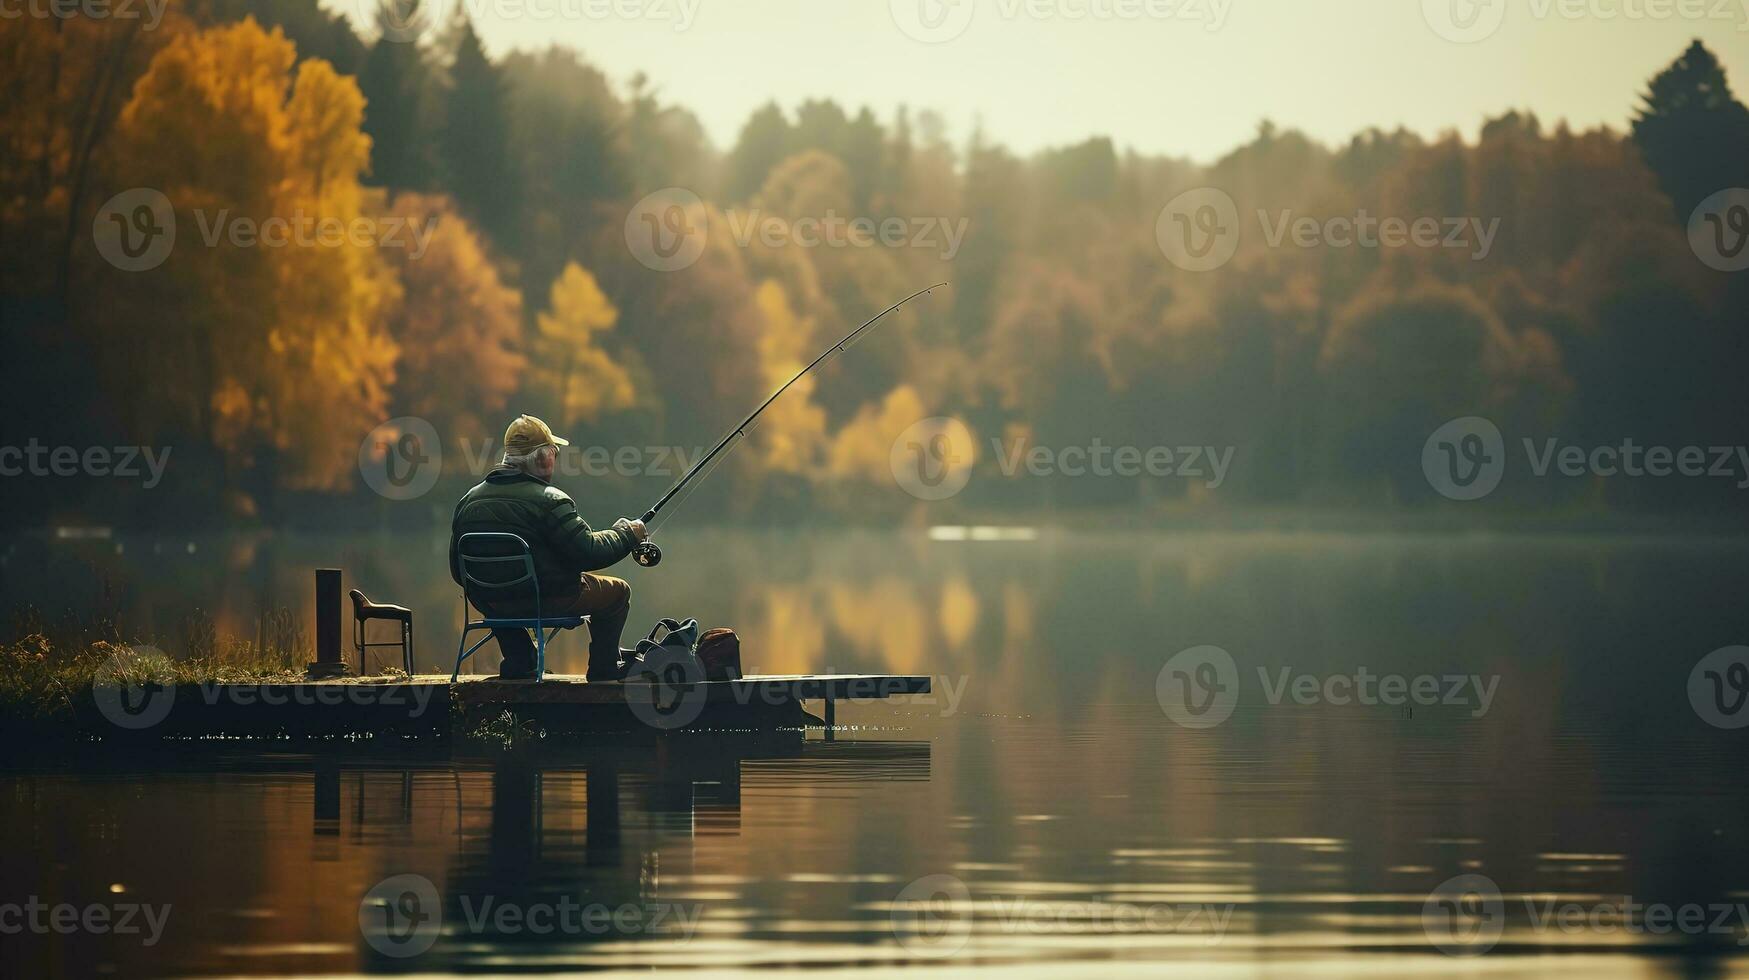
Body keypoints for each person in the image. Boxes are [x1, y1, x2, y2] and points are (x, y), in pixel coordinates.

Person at [448, 414, 647, 681]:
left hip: (492, 602)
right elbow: (589, 552)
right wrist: (627, 534)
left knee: (498, 590)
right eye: (553, 452)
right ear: (542, 458)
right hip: (549, 600)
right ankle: (604, 667)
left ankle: (519, 660)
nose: (554, 459)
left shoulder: (467, 501)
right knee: (618, 592)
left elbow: (457, 570)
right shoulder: (550, 501)